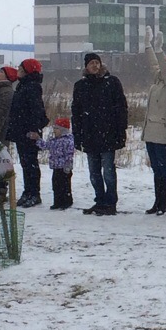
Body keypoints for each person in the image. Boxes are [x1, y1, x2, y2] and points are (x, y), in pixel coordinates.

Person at [70, 52, 126, 215]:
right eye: (91, 63)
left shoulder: (112, 82)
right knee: (94, 172)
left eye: (97, 62)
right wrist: (77, 134)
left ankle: (110, 202)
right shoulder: (80, 86)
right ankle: (99, 200)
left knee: (108, 170)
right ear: (86, 66)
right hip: (89, 135)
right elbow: (76, 112)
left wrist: (120, 130)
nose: (95, 65)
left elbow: (121, 107)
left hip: (108, 133)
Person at [142, 49, 166, 215]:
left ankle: (163, 202)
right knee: (156, 169)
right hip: (151, 131)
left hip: (162, 131)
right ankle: (157, 201)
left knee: (163, 168)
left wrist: (159, 51)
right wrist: (148, 47)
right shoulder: (157, 83)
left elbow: (164, 70)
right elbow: (154, 65)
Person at [5, 58, 47, 208]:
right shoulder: (23, 86)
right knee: (26, 163)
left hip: (28, 132)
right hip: (21, 131)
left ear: (27, 71)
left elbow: (36, 110)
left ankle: (34, 193)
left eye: (20, 68)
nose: (18, 70)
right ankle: (28, 192)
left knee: (31, 164)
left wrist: (34, 130)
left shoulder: (32, 87)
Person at [45, 117, 77, 209]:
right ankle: (57, 202)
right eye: (54, 128)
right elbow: (46, 146)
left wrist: (68, 165)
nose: (54, 130)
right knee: (56, 184)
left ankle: (67, 201)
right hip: (56, 166)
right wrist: (38, 140)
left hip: (65, 168)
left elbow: (69, 154)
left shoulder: (68, 140)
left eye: (57, 128)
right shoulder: (53, 140)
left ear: (63, 130)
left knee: (65, 185)